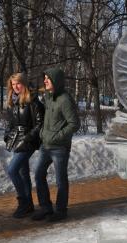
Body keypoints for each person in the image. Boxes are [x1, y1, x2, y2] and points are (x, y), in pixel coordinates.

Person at [32, 68, 80, 222]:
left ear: (56, 81)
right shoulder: (48, 96)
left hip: (60, 147)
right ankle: (46, 208)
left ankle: (61, 210)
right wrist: (43, 134)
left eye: (48, 78)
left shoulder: (65, 99)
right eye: (44, 78)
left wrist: (57, 136)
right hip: (46, 145)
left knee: (60, 180)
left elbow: (74, 124)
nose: (45, 80)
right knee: (39, 174)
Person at [4, 73, 45, 218]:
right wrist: (7, 134)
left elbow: (40, 124)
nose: (15, 87)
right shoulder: (12, 101)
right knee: (22, 172)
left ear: (24, 84)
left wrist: (27, 139)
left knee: (12, 170)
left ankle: (23, 202)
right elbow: (10, 123)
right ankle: (29, 205)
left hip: (28, 141)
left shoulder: (33, 101)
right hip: (16, 140)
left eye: (18, 83)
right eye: (13, 84)